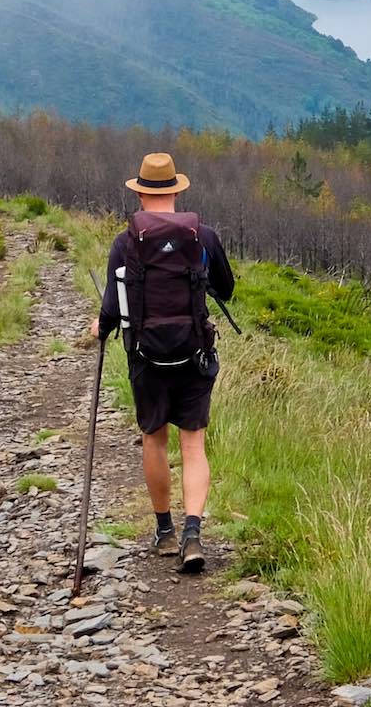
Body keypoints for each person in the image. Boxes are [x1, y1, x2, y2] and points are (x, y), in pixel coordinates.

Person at [90, 152, 235, 573]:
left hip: (146, 355)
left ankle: (164, 532)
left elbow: (112, 309)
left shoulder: (125, 242)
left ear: (139, 195)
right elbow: (226, 289)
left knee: (154, 438)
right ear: (176, 191)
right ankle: (194, 533)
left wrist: (100, 328)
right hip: (193, 351)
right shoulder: (202, 237)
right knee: (193, 444)